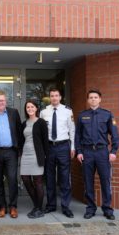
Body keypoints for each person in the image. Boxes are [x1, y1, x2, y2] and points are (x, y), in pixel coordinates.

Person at [75, 89, 119, 220]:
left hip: (102, 152)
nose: (93, 99)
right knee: (88, 181)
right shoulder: (82, 115)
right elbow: (77, 136)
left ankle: (107, 209)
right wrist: (79, 151)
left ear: (100, 99)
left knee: (105, 180)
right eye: (91, 97)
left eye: (95, 97)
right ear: (88, 100)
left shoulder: (107, 115)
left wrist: (113, 151)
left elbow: (115, 135)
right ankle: (90, 208)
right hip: (87, 152)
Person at [40, 89, 76, 218]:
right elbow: (42, 132)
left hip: (63, 146)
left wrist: (72, 147)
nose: (54, 98)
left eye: (56, 96)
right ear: (49, 98)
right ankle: (51, 205)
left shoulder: (68, 111)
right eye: (52, 96)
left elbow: (72, 130)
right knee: (49, 178)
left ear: (60, 97)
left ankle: (65, 207)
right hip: (49, 147)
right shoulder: (44, 112)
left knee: (64, 178)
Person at [0, 90, 22, 218]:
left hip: (11, 152)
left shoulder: (13, 113)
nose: (0, 102)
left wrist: (19, 150)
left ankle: (13, 206)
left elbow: (19, 131)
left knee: (12, 179)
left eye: (2, 100)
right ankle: (2, 206)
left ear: (6, 102)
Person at [20, 100, 49, 219]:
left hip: (37, 155)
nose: (30, 109)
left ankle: (38, 208)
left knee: (38, 182)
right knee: (25, 179)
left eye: (32, 107)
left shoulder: (41, 122)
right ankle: (36, 205)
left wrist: (46, 156)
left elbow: (45, 141)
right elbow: (21, 140)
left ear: (36, 108)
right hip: (25, 155)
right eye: (28, 107)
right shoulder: (24, 123)